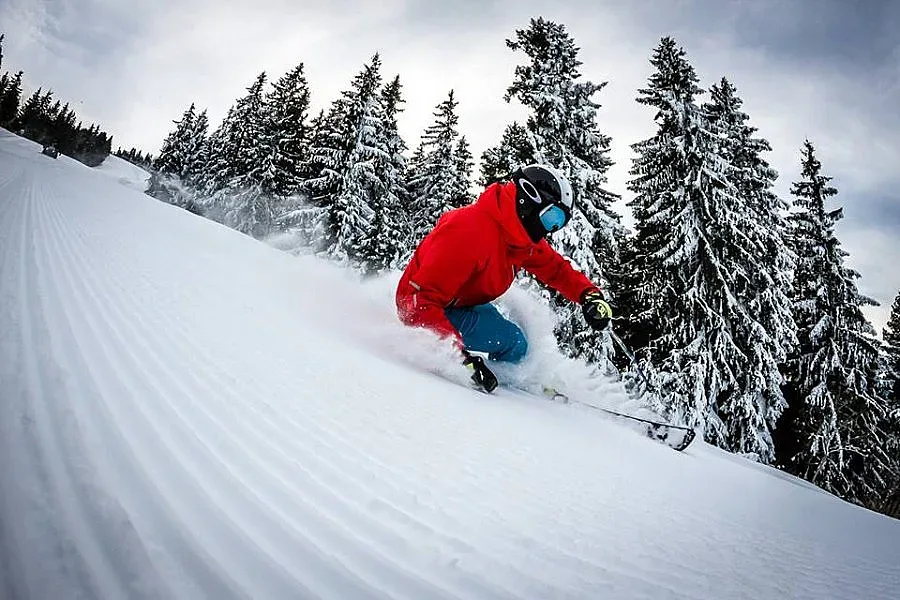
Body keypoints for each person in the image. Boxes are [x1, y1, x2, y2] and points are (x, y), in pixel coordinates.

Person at [395, 164, 613, 391]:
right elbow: (418, 302)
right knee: (511, 343)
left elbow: (555, 268)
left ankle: (515, 383)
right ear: (529, 200)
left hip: (461, 304)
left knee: (516, 345)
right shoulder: (468, 231)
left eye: (559, 223)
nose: (551, 229)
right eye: (551, 217)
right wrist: (460, 361)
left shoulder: (518, 239)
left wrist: (589, 295)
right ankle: (502, 397)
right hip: (428, 308)